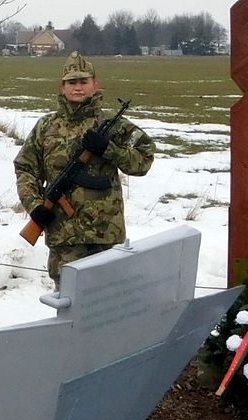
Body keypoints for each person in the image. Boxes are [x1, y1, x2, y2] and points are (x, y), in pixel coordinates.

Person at [13, 52, 157, 289]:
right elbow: (25, 167)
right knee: (68, 300)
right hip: (64, 238)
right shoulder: (46, 127)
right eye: (72, 82)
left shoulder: (112, 126)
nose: (78, 87)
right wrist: (35, 206)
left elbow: (144, 159)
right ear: (62, 87)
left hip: (105, 235)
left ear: (95, 84)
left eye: (83, 81)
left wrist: (109, 149)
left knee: (108, 301)